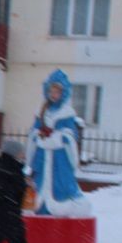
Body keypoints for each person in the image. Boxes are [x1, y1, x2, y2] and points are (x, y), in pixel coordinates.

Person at [26, 69, 90, 217]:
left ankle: (63, 205)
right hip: (42, 156)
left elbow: (71, 134)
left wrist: (57, 138)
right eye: (51, 91)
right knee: (39, 181)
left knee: (61, 183)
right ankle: (41, 206)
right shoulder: (41, 111)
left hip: (60, 158)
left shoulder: (67, 112)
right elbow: (34, 131)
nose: (53, 95)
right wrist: (39, 135)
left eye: (57, 92)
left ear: (63, 93)